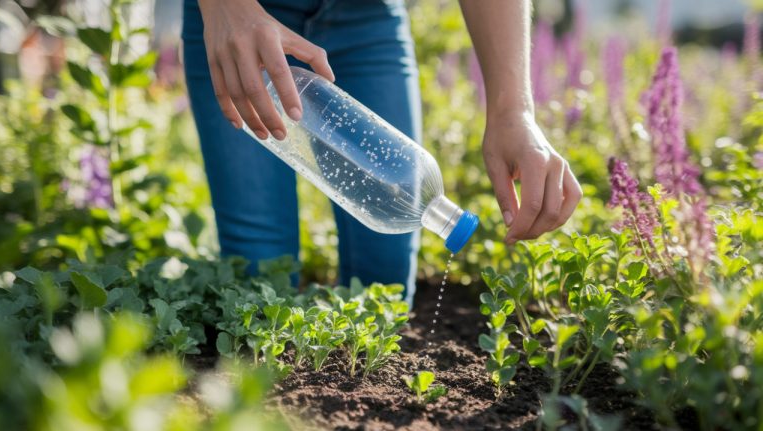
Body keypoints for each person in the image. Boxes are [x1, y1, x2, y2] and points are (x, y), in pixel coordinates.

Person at [182, 0, 582, 302]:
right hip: (240, 22)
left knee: (384, 287)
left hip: (368, 16)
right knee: (257, 274)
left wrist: (513, 111)